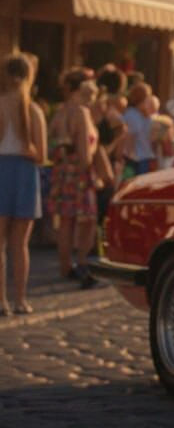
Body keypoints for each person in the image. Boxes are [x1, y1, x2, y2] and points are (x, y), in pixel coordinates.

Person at [0, 55, 46, 315]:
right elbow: (40, 154)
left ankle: (1, 301)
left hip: (1, 169)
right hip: (24, 172)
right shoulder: (33, 110)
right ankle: (20, 300)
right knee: (20, 244)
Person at [48, 68, 101, 289]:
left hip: (62, 171)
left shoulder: (60, 112)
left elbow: (52, 144)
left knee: (66, 221)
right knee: (88, 219)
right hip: (79, 171)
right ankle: (81, 262)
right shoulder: (81, 112)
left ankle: (64, 266)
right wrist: (91, 173)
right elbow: (84, 151)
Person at [119, 83, 156, 178]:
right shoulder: (132, 114)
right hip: (136, 160)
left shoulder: (145, 114)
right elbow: (130, 137)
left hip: (146, 158)